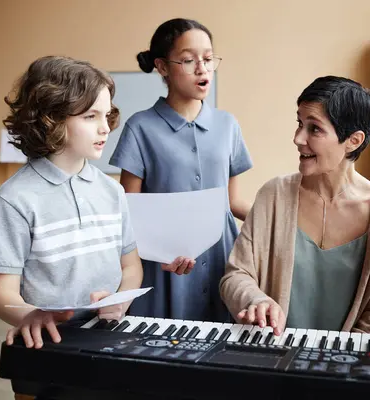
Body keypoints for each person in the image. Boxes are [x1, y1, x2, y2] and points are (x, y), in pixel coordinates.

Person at [0, 55, 143, 350]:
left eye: (106, 115)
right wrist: (28, 314)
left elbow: (131, 267)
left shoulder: (113, 191)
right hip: (46, 344)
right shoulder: (14, 198)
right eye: (90, 116)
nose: (105, 128)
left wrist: (120, 303)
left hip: (107, 336)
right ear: (51, 119)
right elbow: (1, 293)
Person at [220, 76, 370, 336]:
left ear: (353, 140)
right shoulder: (273, 195)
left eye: (314, 129)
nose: (298, 138)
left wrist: (342, 358)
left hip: (345, 369)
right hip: (271, 364)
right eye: (300, 124)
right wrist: (255, 299)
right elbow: (236, 274)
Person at [109, 18, 253, 322]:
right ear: (162, 67)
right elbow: (128, 214)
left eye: (209, 58)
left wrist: (280, 223)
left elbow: (233, 202)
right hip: (163, 266)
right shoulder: (140, 128)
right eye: (189, 60)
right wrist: (159, 253)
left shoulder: (228, 125)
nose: (202, 68)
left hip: (221, 260)